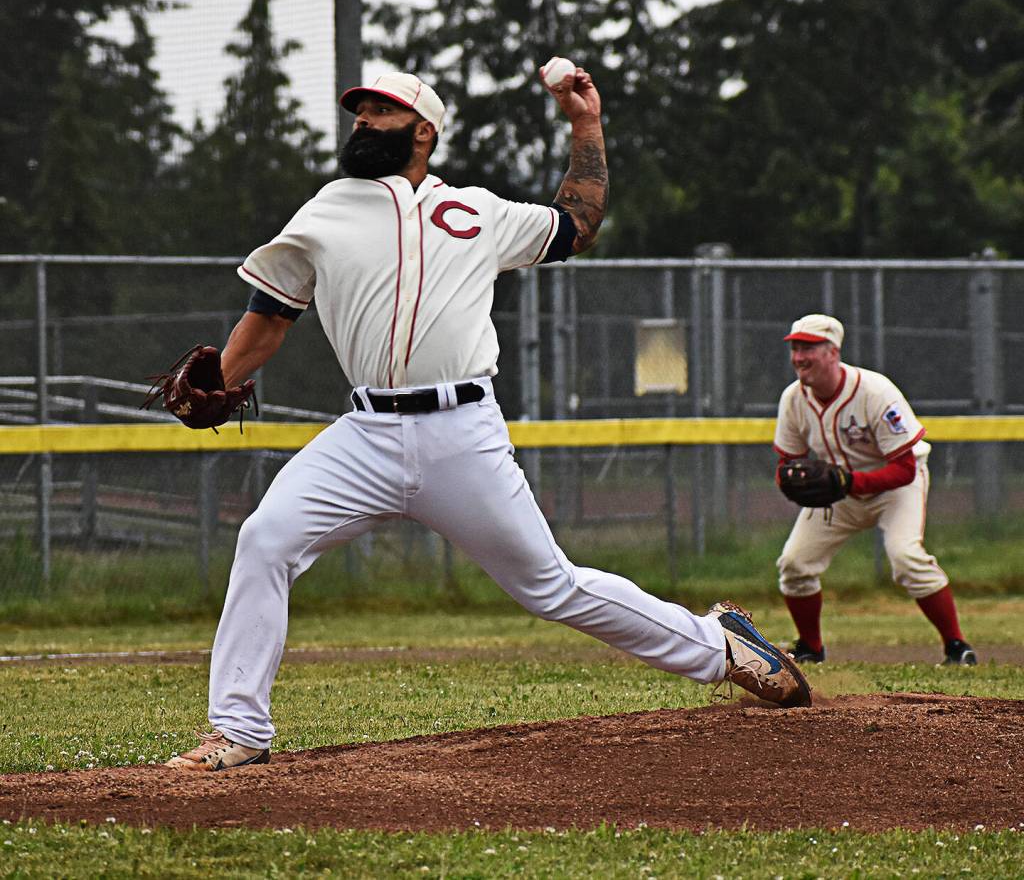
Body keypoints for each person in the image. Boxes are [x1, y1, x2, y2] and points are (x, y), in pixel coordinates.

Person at [164, 66, 810, 772]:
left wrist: (585, 123)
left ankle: (719, 645)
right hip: (363, 435)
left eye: (381, 111)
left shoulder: (477, 211)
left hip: (460, 434)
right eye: (360, 111)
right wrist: (219, 381)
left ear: (424, 131)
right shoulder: (324, 211)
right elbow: (269, 319)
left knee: (550, 586)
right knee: (265, 540)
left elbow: (579, 224)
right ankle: (239, 731)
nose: (363, 121)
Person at [773, 313, 976, 667]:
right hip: (839, 493)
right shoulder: (793, 399)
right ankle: (810, 648)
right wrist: (791, 481)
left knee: (906, 558)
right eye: (796, 348)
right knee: (795, 563)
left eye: (809, 347)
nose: (799, 357)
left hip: (895, 488)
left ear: (832, 352)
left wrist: (849, 482)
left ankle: (957, 646)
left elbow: (905, 468)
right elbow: (787, 462)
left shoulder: (875, 392)